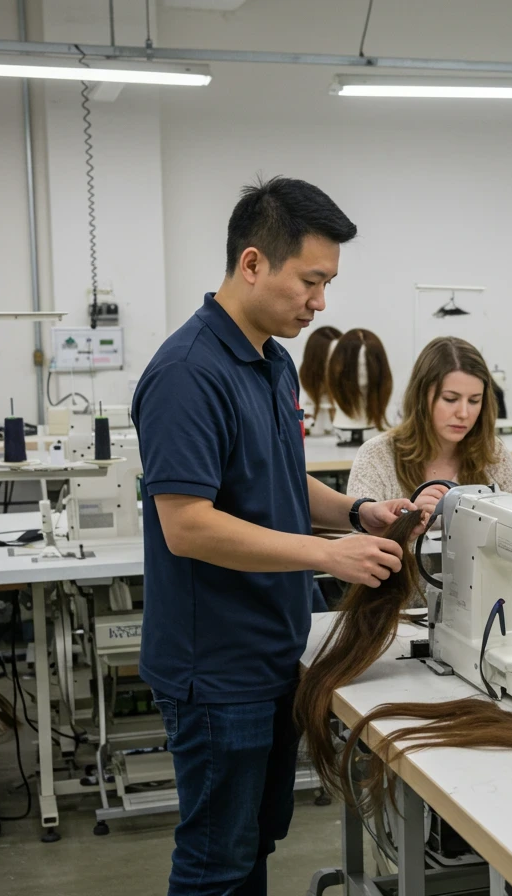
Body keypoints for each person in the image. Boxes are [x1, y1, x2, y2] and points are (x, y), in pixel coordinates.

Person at [132, 176, 424, 896]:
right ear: (253, 263)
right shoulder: (188, 373)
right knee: (215, 863)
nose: (321, 302)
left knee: (253, 847)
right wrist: (329, 555)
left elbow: (281, 482)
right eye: (311, 280)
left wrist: (358, 515)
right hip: (216, 668)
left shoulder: (270, 361)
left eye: (327, 283)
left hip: (271, 653)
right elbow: (188, 526)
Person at [347, 335, 512, 518]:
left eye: (474, 400)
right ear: (421, 398)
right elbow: (360, 539)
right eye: (450, 399)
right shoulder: (377, 456)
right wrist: (408, 521)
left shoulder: (493, 454)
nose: (463, 413)